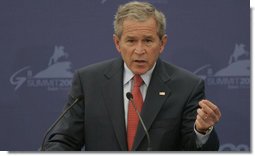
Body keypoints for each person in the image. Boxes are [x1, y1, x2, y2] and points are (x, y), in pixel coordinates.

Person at [42, 1, 221, 151]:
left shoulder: (187, 86)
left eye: (148, 40)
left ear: (162, 43)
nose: (140, 50)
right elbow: (63, 140)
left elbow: (196, 149)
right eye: (131, 41)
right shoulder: (89, 81)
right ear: (117, 43)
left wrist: (202, 130)